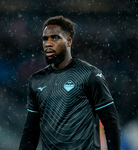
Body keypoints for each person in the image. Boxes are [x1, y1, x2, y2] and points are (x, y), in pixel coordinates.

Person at [19, 16, 121, 150]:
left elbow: (111, 123)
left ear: (68, 41)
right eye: (45, 39)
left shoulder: (90, 74)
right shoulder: (36, 80)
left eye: (54, 38)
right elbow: (30, 132)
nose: (48, 43)